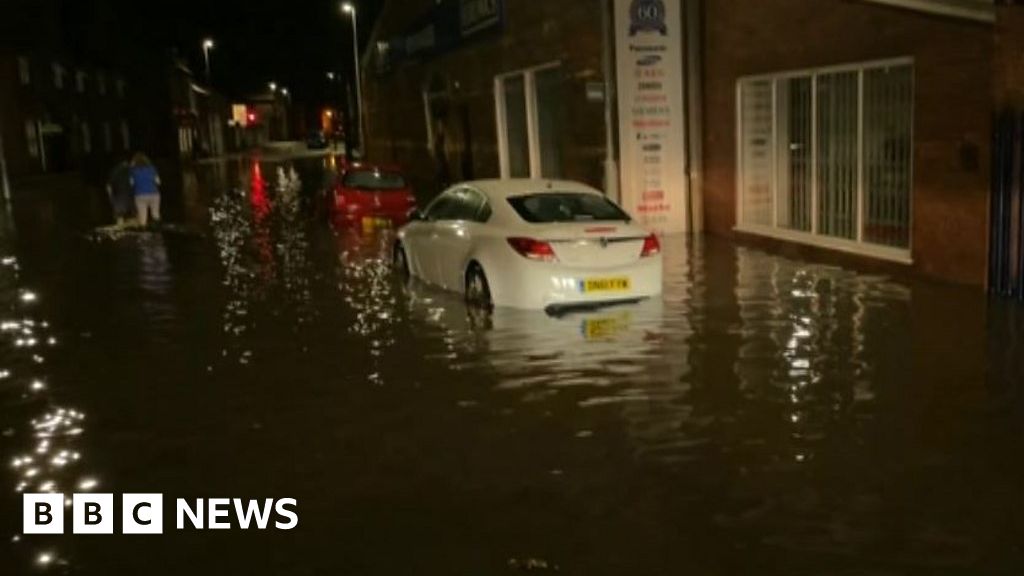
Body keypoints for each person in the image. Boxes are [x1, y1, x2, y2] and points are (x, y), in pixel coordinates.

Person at [129, 153, 161, 226]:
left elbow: (131, 183)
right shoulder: (152, 168)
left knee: (142, 216)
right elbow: (158, 181)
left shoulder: (133, 171)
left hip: (140, 195)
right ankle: (158, 231)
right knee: (156, 214)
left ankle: (144, 232)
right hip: (154, 194)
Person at [106, 156, 134, 225]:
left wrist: (111, 196)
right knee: (133, 214)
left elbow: (109, 185)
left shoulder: (115, 170)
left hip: (119, 195)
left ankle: (120, 227)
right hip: (130, 195)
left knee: (120, 215)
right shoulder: (131, 170)